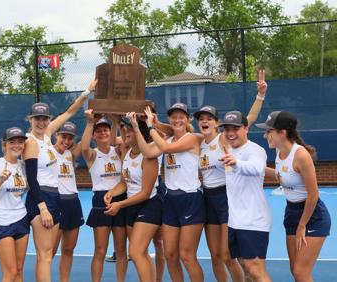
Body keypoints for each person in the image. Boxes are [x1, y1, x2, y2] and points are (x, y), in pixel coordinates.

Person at [192, 69, 268, 282]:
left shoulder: (223, 139)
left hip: (225, 198)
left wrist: (260, 96)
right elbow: (172, 131)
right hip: (207, 199)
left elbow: (249, 120)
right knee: (216, 256)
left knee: (228, 255)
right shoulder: (198, 142)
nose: (205, 121)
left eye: (209, 118)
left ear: (216, 123)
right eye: (201, 119)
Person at [23, 79, 96, 281]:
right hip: (42, 198)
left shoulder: (46, 135)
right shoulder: (30, 142)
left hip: (53, 196)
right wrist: (43, 208)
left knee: (46, 255)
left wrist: (87, 91)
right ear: (30, 119)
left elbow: (69, 113)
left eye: (45, 118)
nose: (41, 122)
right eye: (37, 118)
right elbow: (31, 179)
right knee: (45, 256)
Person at [256, 111, 331, 281]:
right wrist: (248, 168)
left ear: (282, 133)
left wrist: (302, 225)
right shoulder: (279, 152)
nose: (264, 135)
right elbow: (281, 175)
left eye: (269, 131)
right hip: (291, 212)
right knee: (294, 269)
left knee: (300, 272)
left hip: (312, 215)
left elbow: (313, 194)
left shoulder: (301, 155)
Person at [136, 103, 205, 282]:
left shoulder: (194, 138)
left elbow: (166, 150)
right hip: (171, 200)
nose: (177, 120)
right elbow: (147, 152)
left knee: (187, 256)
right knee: (170, 255)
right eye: (174, 117)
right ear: (170, 119)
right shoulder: (166, 139)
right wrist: (137, 127)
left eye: (181, 116)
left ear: (188, 119)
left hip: (191, 198)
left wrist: (152, 126)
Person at [104, 114, 162, 282]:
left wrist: (119, 204)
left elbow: (145, 193)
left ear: (140, 134)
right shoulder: (127, 153)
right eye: (126, 129)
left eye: (130, 130)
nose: (126, 133)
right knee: (141, 253)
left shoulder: (149, 158)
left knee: (135, 253)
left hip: (149, 205)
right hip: (131, 206)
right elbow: (124, 182)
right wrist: (112, 193)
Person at [217, 110, 272, 282]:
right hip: (235, 221)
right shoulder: (228, 149)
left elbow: (256, 168)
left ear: (246, 128)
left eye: (235, 128)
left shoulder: (256, 150)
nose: (231, 133)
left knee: (256, 271)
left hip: (253, 222)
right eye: (227, 129)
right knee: (246, 270)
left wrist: (236, 163)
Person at [81, 110, 127, 282]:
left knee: (121, 250)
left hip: (121, 198)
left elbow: (125, 139)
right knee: (100, 250)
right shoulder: (92, 154)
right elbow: (83, 146)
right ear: (94, 135)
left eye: (106, 130)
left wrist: (117, 120)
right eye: (99, 131)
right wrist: (90, 122)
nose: (103, 132)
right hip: (101, 200)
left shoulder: (120, 150)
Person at [0, 127, 29, 282]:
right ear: (4, 145)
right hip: (2, 222)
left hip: (21, 219)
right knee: (10, 272)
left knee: (19, 269)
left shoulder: (23, 166)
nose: (16, 145)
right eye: (12, 142)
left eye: (20, 142)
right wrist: (0, 181)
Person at [52, 122, 84, 282]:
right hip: (56, 203)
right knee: (49, 251)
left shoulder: (70, 154)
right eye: (63, 136)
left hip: (73, 202)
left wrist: (91, 121)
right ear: (55, 134)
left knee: (68, 249)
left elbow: (84, 143)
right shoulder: (47, 153)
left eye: (70, 138)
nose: (67, 140)